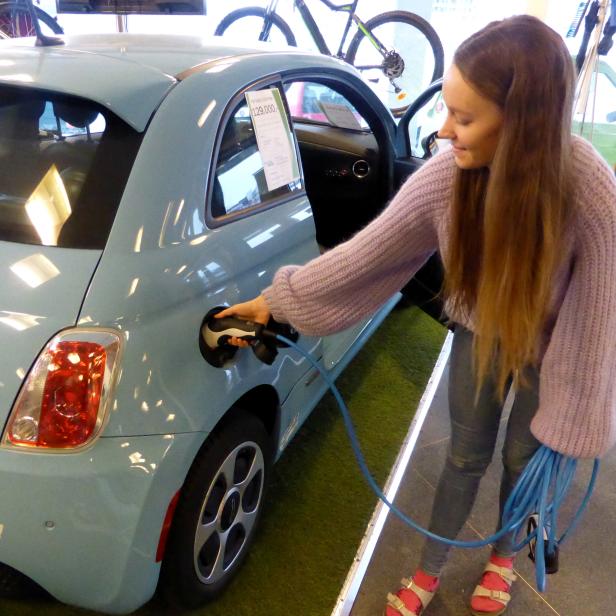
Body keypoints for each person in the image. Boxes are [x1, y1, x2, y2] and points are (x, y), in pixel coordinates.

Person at [215, 14, 616, 616]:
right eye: (448, 109)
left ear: (524, 124)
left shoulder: (590, 189)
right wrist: (278, 300)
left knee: (522, 461)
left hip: (555, 349)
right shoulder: (447, 177)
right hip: (479, 336)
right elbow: (369, 253)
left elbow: (600, 309)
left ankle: (504, 557)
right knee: (463, 455)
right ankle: (430, 569)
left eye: (466, 116)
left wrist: (575, 408)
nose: (446, 129)